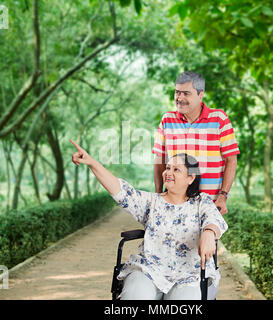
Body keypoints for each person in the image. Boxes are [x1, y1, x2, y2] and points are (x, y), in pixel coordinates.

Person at [70, 139, 227, 300]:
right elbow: (120, 190)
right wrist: (92, 163)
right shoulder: (151, 202)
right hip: (150, 270)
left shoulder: (201, 202)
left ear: (191, 178)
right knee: (136, 294)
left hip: (190, 274)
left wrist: (209, 232)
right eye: (167, 168)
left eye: (176, 169)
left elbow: (213, 218)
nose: (168, 173)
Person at [153, 71, 240, 215]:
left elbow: (231, 160)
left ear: (201, 95)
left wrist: (223, 196)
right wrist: (158, 196)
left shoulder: (219, 119)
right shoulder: (167, 120)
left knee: (207, 238)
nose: (180, 98)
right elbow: (159, 160)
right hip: (174, 204)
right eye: (177, 92)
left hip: (209, 205)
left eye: (186, 93)